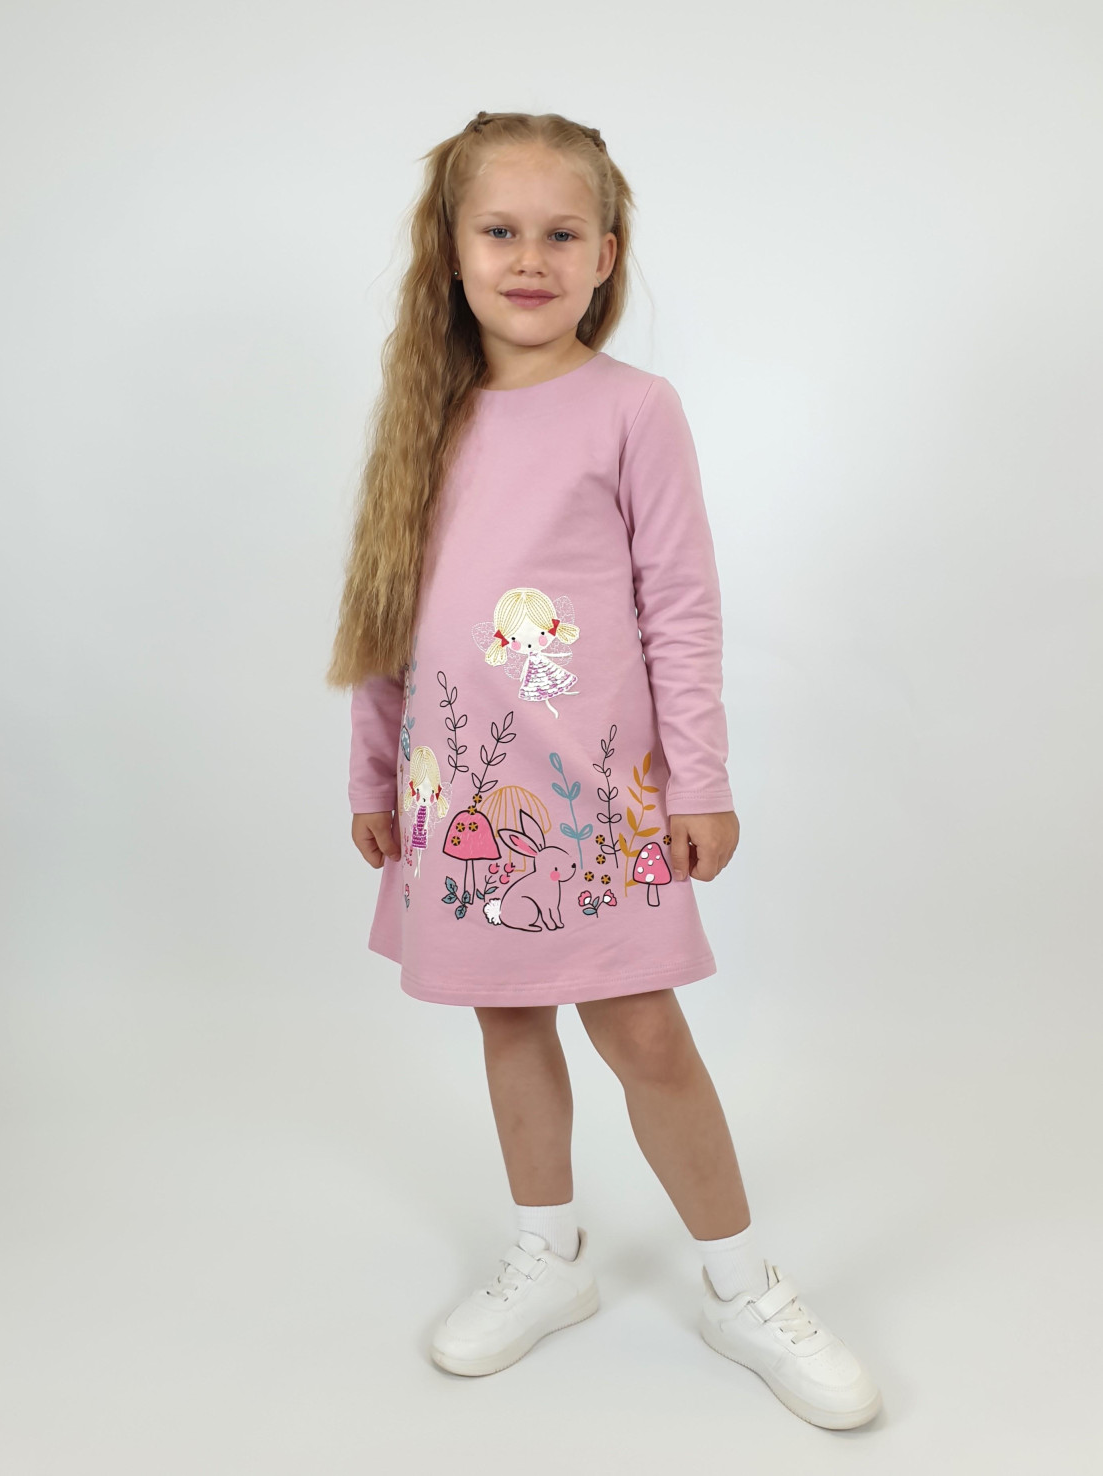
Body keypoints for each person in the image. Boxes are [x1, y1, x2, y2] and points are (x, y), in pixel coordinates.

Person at [326, 109, 881, 1430]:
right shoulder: (423, 417)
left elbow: (679, 605)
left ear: (605, 253)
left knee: (642, 1031)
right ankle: (550, 1252)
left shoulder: (633, 411)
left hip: (595, 799)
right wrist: (370, 775)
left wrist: (701, 779)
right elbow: (387, 615)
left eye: (559, 233)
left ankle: (742, 1286)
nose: (529, 258)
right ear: (451, 250)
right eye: (499, 230)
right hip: (462, 799)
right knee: (506, 1019)